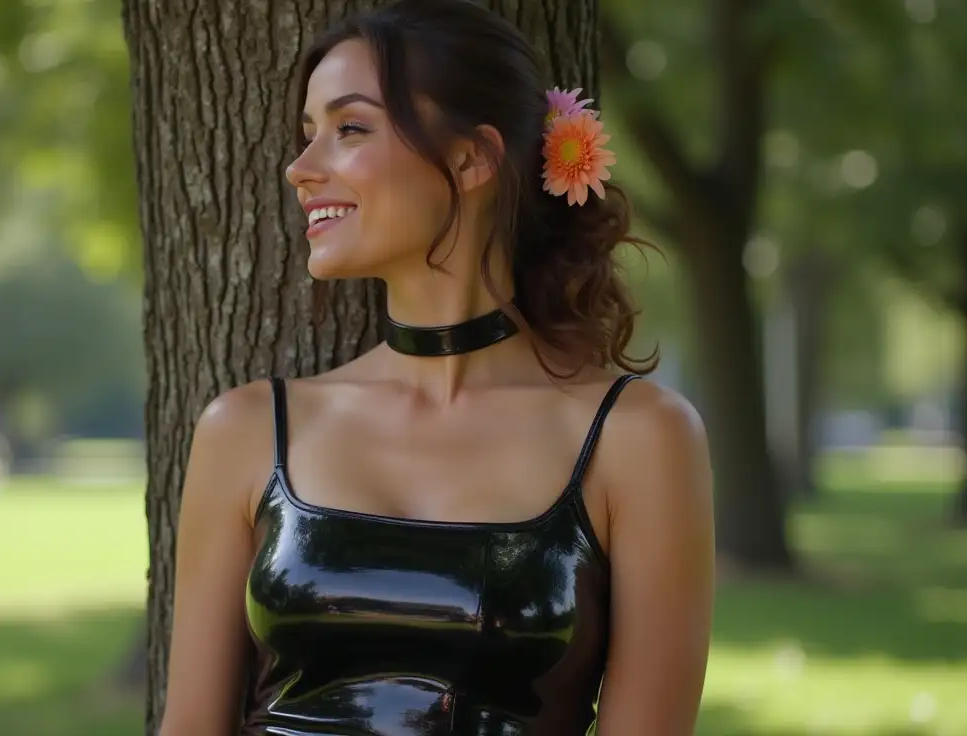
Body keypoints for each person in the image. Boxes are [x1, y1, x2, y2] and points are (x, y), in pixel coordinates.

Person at [159, 1, 715, 734]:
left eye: (349, 129)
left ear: (469, 159)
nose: (300, 169)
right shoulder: (245, 430)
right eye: (307, 135)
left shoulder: (639, 437)